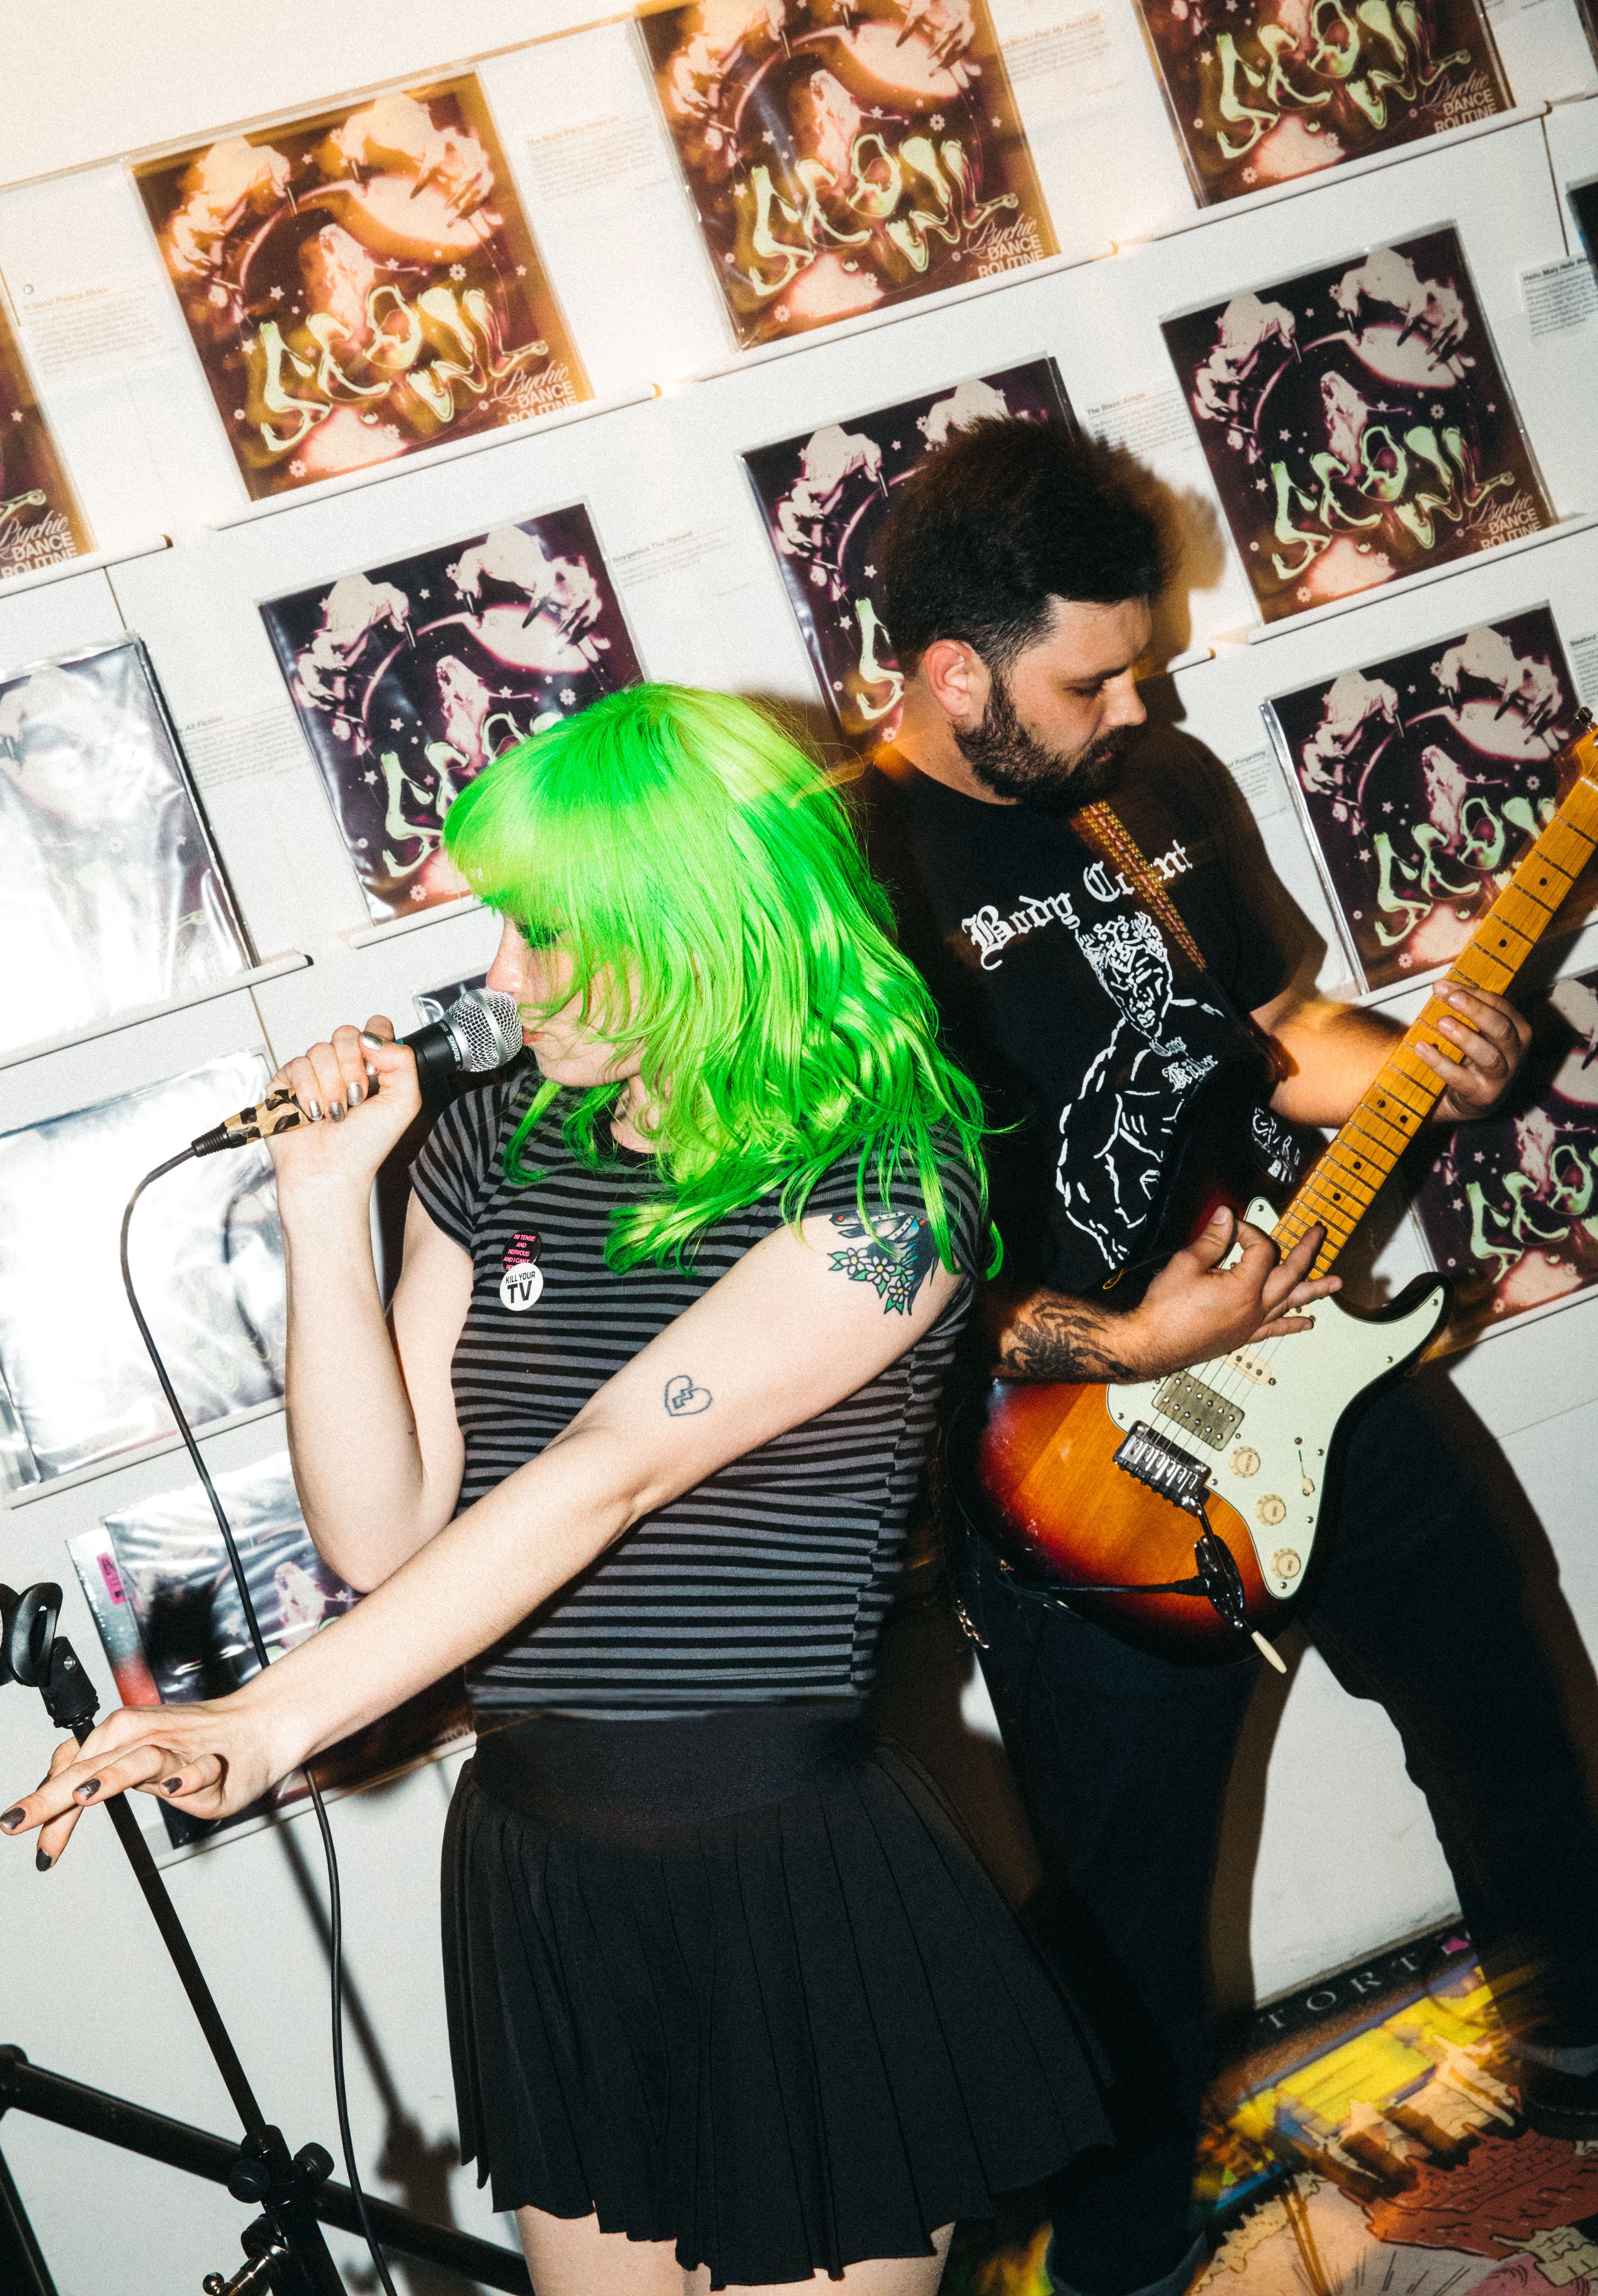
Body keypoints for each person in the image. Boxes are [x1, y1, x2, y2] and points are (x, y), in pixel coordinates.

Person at [4, 682, 1112, 2296]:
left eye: (542, 930)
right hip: (541, 1868)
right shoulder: (494, 1148)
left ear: (703, 923)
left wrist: (268, 1720)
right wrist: (328, 1202)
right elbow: (382, 1536)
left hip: (778, 1868)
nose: (497, 976)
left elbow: (608, 1471)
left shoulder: (892, 1182)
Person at [856, 417, 1598, 2296]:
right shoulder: (847, 880)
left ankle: (1583, 2073)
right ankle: (1104, 2268)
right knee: (1128, 1929)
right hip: (1079, 1465)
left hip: (1316, 1365)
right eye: (1091, 673)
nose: (1139, 699)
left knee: (1509, 1715)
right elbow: (865, 1243)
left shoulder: (1155, 780)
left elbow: (1282, 1030)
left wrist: (1422, 1058)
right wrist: (1118, 1331)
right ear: (956, 676)